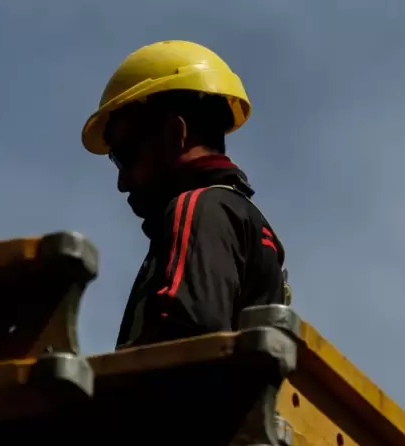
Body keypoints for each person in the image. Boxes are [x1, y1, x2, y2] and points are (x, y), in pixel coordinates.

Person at [81, 40, 291, 349]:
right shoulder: (246, 220)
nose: (121, 182)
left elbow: (185, 337)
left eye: (124, 155)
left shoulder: (199, 208)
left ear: (174, 135)